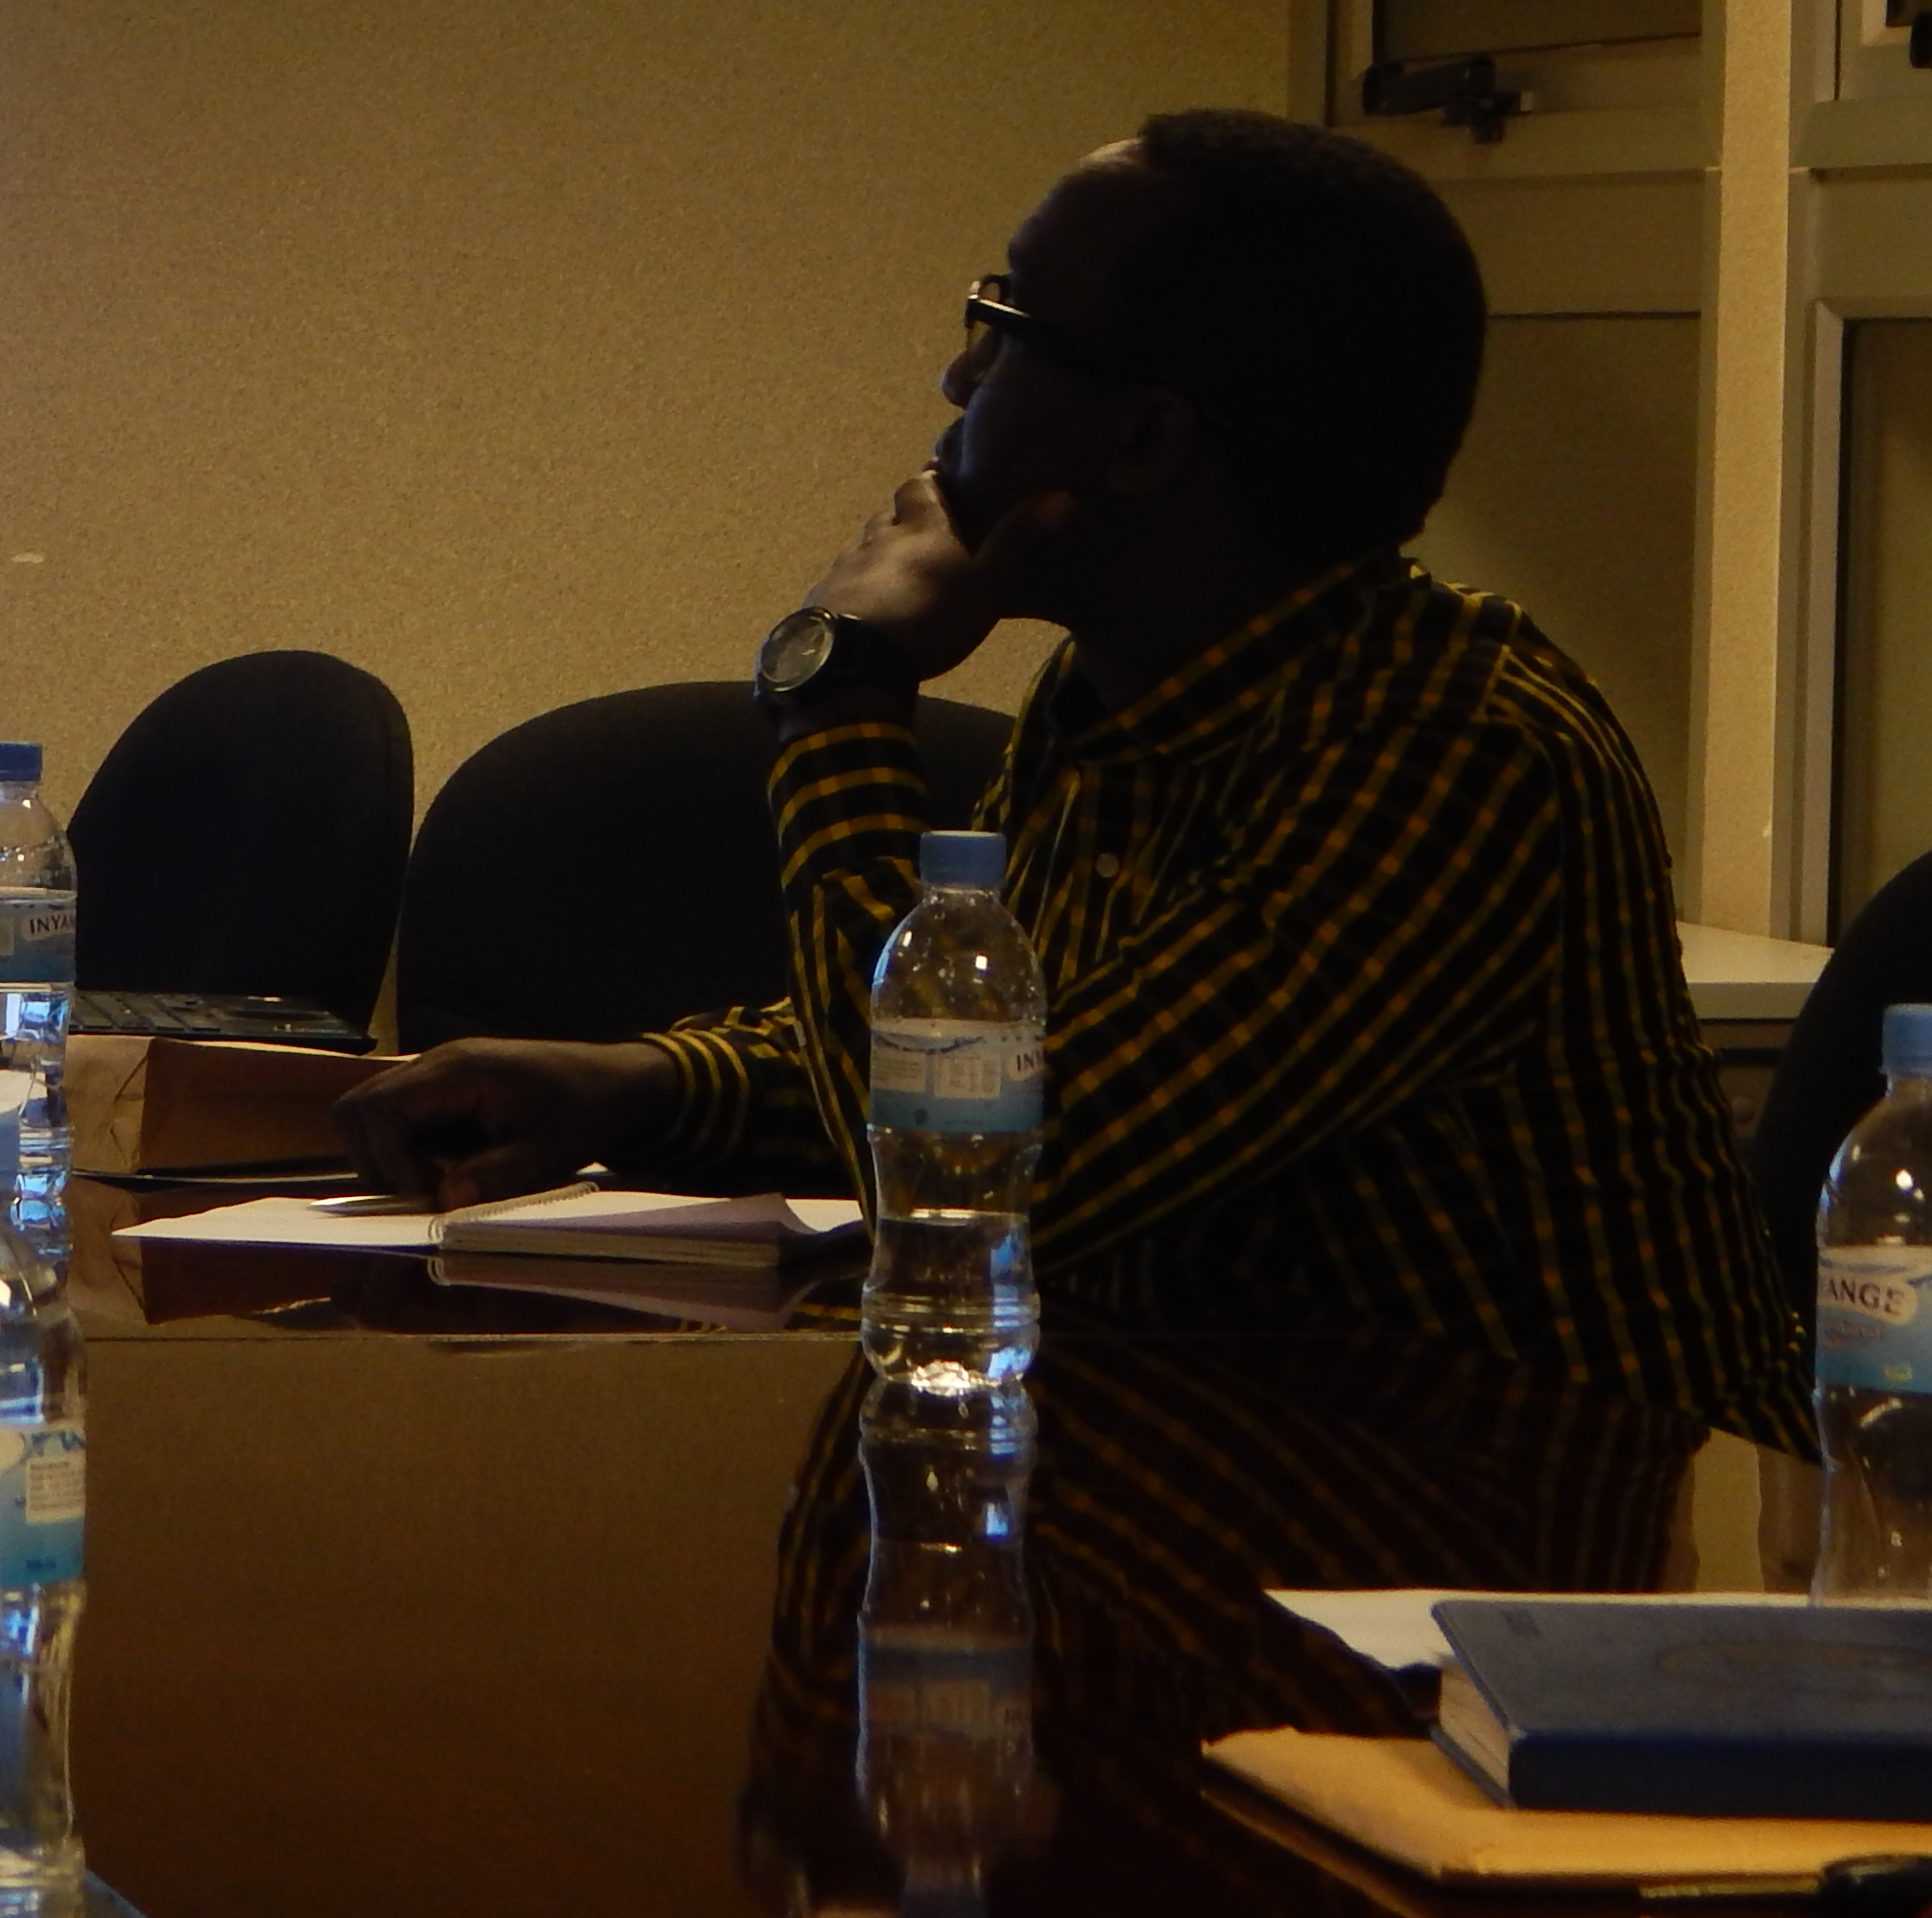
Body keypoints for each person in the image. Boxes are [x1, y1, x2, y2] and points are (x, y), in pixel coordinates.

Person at [337, 108, 1801, 1435]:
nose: (957, 373)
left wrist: (841, 693)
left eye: (1004, 325)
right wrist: (640, 1085)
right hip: (1241, 1484)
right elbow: (988, 1056)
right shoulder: (1120, 694)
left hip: (1539, 1556)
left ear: (1145, 439)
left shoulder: (1455, 757)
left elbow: (971, 1168)